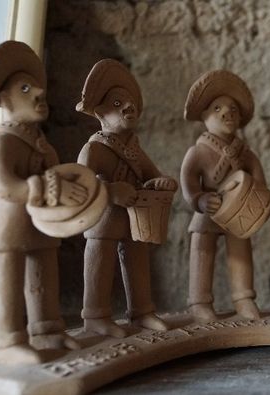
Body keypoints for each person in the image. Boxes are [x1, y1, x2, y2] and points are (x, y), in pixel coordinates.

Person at [0, 41, 82, 363]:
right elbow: (6, 187)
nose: (38, 93)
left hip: (41, 223)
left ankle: (47, 329)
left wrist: (65, 184)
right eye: (25, 88)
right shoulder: (2, 141)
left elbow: (56, 171)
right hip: (10, 228)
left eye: (36, 86)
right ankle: (6, 342)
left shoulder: (40, 141)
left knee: (44, 275)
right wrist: (49, 186)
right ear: (5, 99)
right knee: (7, 279)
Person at [77, 59, 176, 337]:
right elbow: (82, 188)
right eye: (118, 104)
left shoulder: (134, 148)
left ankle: (141, 312)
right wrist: (111, 192)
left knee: (138, 262)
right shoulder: (93, 150)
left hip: (135, 220)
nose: (128, 107)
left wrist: (159, 182)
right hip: (103, 221)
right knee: (100, 263)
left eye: (130, 103)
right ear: (100, 111)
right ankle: (95, 316)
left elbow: (150, 174)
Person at [181, 70, 269, 323]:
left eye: (233, 109)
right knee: (202, 251)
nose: (226, 113)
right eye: (217, 107)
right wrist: (198, 200)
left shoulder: (245, 153)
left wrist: (258, 197)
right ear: (204, 116)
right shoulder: (197, 152)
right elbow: (188, 182)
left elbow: (259, 180)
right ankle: (199, 302)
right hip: (209, 210)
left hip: (238, 212)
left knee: (240, 251)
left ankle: (243, 298)